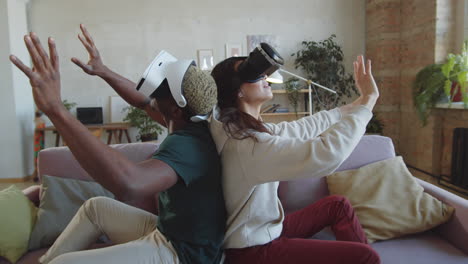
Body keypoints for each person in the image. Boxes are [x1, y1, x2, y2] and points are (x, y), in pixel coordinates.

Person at [9, 27, 226, 264]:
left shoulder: (189, 146)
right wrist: (102, 71)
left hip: (184, 254)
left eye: (159, 90)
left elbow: (129, 184)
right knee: (96, 209)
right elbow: (143, 100)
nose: (151, 94)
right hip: (172, 231)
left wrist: (56, 110)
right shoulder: (191, 121)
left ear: (175, 109)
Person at [208, 53, 381, 264]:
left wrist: (360, 102)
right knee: (366, 257)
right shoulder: (248, 144)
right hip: (252, 251)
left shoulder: (238, 129)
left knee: (337, 206)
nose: (264, 76)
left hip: (264, 230)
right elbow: (327, 153)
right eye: (252, 74)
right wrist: (370, 100)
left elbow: (298, 128)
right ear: (238, 91)